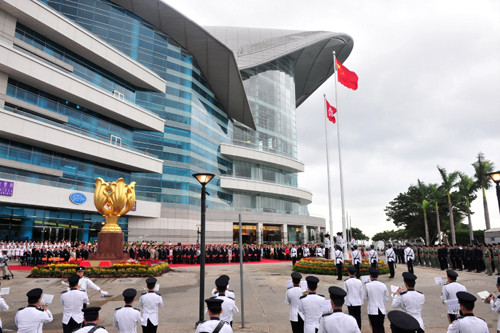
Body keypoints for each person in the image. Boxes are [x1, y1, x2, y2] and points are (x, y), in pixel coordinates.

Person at [364, 267, 389, 333]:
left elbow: (365, 297)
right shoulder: (383, 285)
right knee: (381, 326)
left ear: (370, 276)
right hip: (381, 309)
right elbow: (386, 297)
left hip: (372, 309)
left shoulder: (367, 285)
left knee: (374, 327)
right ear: (378, 276)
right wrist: (381, 302)